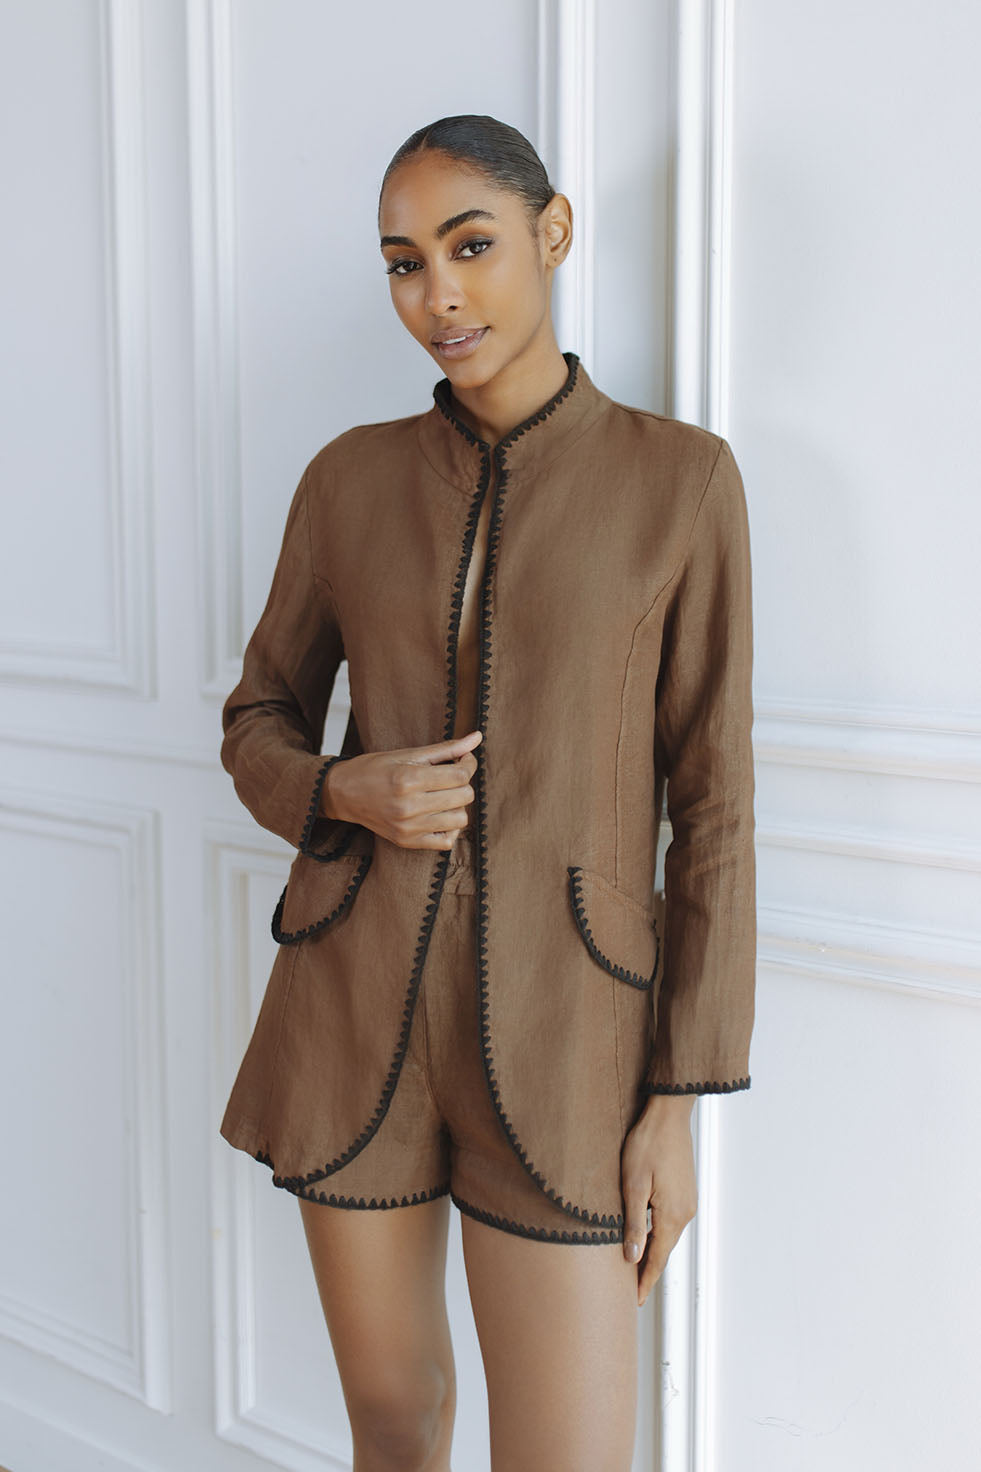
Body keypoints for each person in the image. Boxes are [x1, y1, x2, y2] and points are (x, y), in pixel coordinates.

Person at [218, 113, 756, 1470]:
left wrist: (677, 1103)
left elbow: (714, 809)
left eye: (470, 247)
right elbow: (257, 722)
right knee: (394, 1429)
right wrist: (348, 789)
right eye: (404, 264)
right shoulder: (347, 479)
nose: (438, 297)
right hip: (355, 1014)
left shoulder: (679, 481)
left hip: (572, 1034)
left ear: (552, 234)